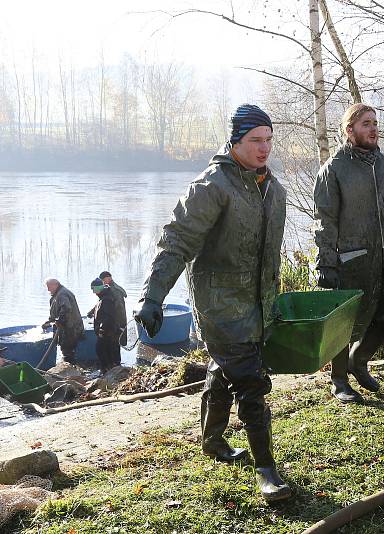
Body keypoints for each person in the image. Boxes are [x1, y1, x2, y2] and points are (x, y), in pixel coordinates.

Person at [134, 104, 290, 501]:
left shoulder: (272, 188)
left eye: (269, 139)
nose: (264, 148)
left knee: (224, 371)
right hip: (219, 306)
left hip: (257, 305)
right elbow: (177, 242)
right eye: (255, 140)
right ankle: (267, 470)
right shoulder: (212, 186)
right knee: (252, 383)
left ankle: (213, 441)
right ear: (235, 141)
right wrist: (153, 297)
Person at [313, 103, 384, 404]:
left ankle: (358, 363)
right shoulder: (333, 170)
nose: (373, 129)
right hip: (351, 261)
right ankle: (339, 381)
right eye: (366, 124)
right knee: (345, 326)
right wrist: (326, 264)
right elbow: (324, 222)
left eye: (375, 123)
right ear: (350, 131)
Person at [42, 278, 84, 364]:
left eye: (49, 287)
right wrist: (50, 321)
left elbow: (66, 308)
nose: (48, 289)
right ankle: (70, 366)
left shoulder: (62, 294)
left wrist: (59, 321)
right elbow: (57, 310)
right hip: (68, 326)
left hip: (70, 328)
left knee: (67, 349)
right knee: (67, 348)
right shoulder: (58, 293)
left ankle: (69, 368)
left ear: (55, 285)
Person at [87, 271, 128, 346]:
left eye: (102, 280)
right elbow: (102, 302)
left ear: (108, 278)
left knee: (113, 350)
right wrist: (93, 311)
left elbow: (118, 310)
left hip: (116, 327)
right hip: (111, 326)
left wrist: (119, 327)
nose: (101, 282)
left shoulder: (115, 291)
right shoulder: (106, 288)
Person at [90, 278, 122, 373]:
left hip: (107, 332)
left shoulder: (107, 299)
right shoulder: (104, 297)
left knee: (102, 350)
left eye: (94, 289)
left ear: (99, 288)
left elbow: (109, 317)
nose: (93, 292)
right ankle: (108, 370)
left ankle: (108, 370)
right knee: (106, 351)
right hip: (108, 331)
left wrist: (102, 330)